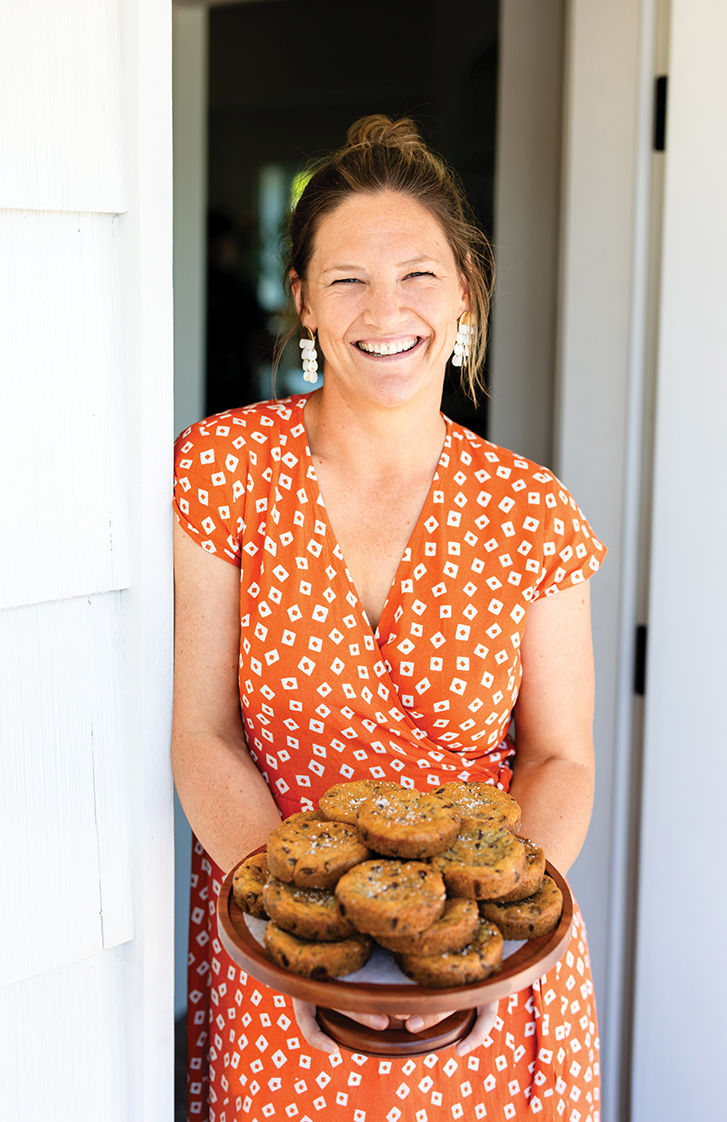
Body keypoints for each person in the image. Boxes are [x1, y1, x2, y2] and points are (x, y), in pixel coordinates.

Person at [173, 116, 606, 1122]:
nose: (386, 311)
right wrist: (306, 933)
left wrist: (475, 955)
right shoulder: (225, 470)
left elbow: (559, 760)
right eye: (346, 279)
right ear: (302, 303)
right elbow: (203, 733)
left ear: (464, 291)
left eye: (417, 274)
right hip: (286, 960)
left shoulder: (531, 509)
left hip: (484, 989)